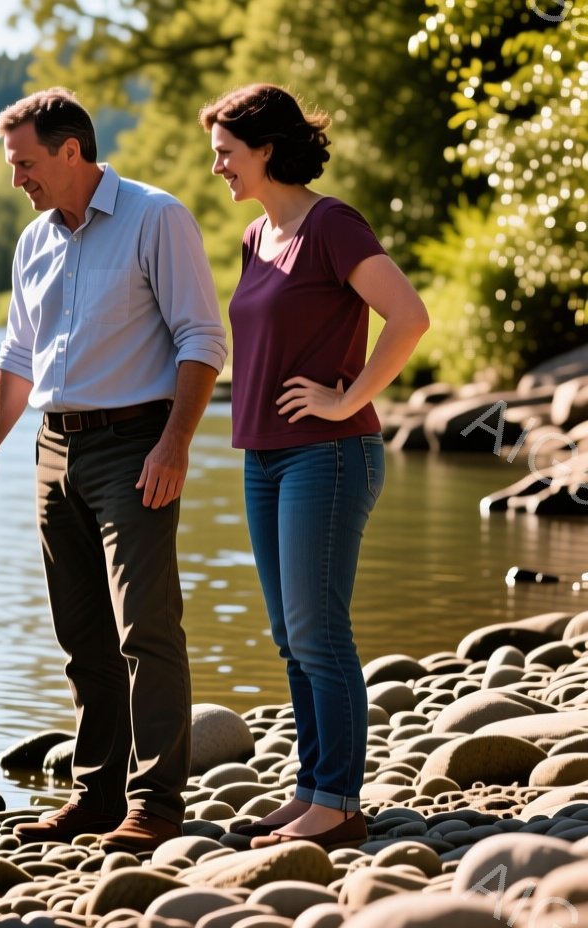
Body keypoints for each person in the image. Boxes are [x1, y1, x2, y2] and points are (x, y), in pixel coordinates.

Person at [0, 88, 229, 854]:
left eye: (26, 163)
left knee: (146, 628)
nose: (17, 179)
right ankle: (97, 794)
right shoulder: (33, 241)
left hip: (136, 444)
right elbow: (18, 355)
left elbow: (202, 340)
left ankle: (155, 804)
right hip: (53, 449)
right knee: (83, 635)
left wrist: (174, 444)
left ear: (71, 151)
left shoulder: (156, 217)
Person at [201, 83, 429, 850]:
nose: (219, 168)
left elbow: (408, 316)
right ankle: (311, 789)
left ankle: (338, 798)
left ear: (267, 150)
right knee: (287, 632)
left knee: (319, 630)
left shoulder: (332, 224)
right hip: (263, 455)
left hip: (329, 456)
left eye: (227, 154)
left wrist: (346, 399)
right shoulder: (256, 238)